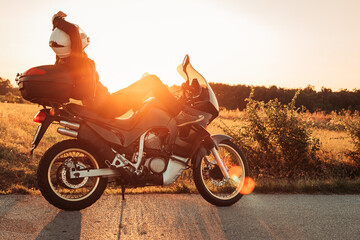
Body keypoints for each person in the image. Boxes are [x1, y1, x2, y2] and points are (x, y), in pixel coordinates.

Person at [49, 11, 203, 126]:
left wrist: (55, 25)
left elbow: (60, 41)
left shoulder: (63, 59)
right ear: (70, 43)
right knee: (152, 81)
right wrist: (56, 19)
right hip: (107, 106)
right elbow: (73, 32)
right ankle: (181, 116)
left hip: (101, 104)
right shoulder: (77, 60)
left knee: (144, 81)